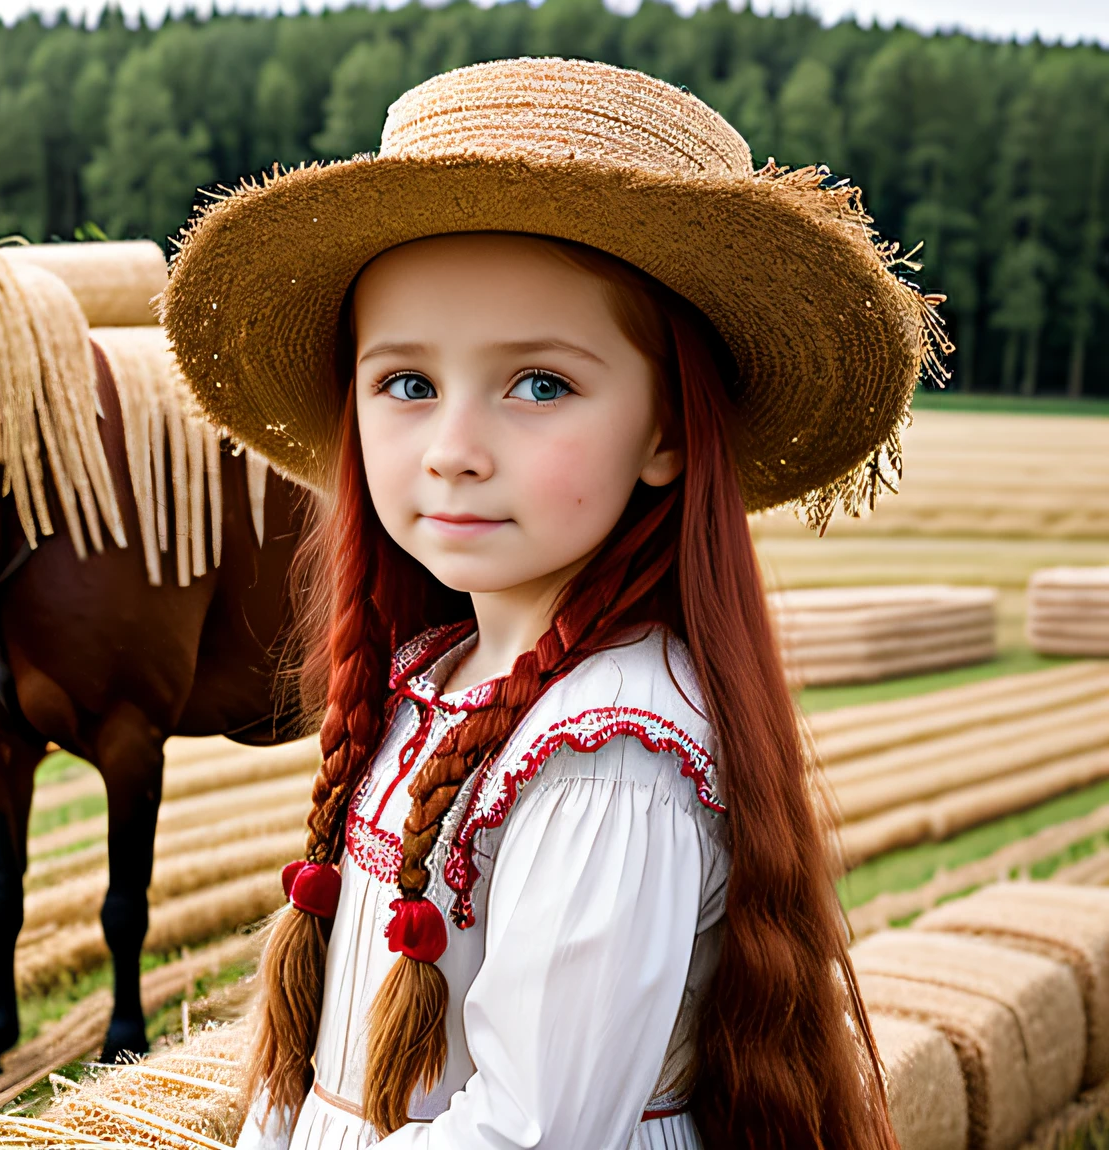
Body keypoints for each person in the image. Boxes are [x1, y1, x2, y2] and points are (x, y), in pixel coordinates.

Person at [159, 57, 946, 1148]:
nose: (451, 452)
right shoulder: (429, 678)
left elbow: (529, 1131)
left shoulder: (609, 753)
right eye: (405, 383)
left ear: (668, 431)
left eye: (538, 385)